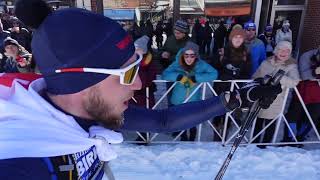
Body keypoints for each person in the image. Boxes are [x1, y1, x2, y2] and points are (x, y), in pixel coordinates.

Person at [0, 0, 282, 179]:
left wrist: (239, 98)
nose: (137, 84)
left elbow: (164, 121)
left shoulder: (88, 111)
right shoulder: (19, 162)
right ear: (81, 80)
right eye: (129, 73)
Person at [162, 42, 218, 141]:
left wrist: (197, 78)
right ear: (183, 55)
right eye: (186, 55)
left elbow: (214, 73)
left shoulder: (201, 65)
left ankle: (192, 140)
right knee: (181, 122)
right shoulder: (177, 64)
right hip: (178, 99)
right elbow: (165, 74)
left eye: (192, 55)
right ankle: (183, 139)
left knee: (193, 122)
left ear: (196, 56)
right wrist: (178, 77)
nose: (189, 58)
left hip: (193, 98)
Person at [252, 41, 300, 148]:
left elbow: (294, 82)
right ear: (276, 50)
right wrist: (260, 81)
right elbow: (255, 77)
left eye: (287, 51)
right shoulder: (266, 62)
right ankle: (254, 144)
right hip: (260, 98)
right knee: (258, 122)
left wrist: (280, 78)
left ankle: (265, 146)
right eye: (282, 49)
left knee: (270, 125)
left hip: (276, 100)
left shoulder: (291, 65)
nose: (284, 53)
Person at [283, 46, 320, 144]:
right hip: (302, 93)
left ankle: (299, 139)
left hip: (317, 97)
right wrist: (315, 72)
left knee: (311, 118)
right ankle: (288, 140)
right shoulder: (306, 55)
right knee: (293, 116)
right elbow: (303, 75)